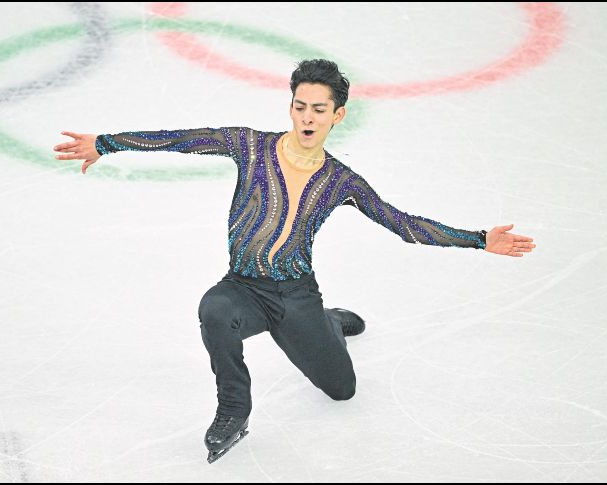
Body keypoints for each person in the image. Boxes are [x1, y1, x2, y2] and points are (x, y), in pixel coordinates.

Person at [53, 59, 536, 463]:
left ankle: (327, 325)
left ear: (337, 116)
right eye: (300, 106)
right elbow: (181, 139)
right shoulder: (250, 145)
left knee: (342, 391)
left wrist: (477, 239)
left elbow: (401, 224)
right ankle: (233, 411)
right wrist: (108, 143)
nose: (307, 116)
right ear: (290, 106)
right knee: (213, 310)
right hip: (243, 287)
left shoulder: (341, 180)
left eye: (318, 109)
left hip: (296, 296)